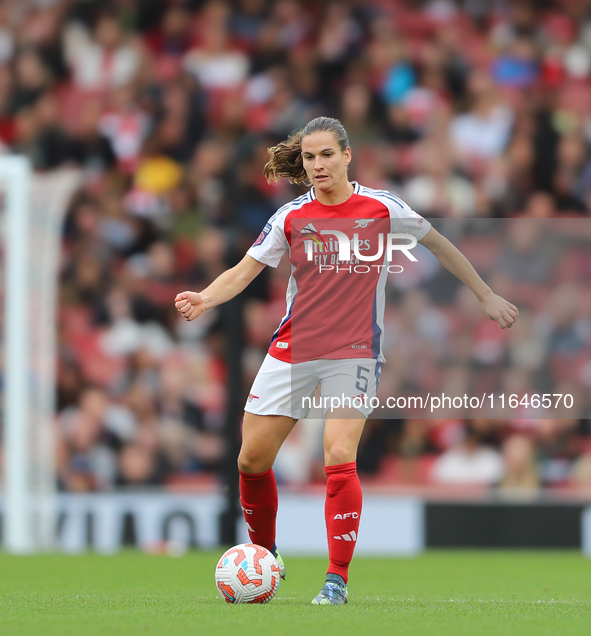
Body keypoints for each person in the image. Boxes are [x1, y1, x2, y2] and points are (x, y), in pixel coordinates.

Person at [175, 117, 519, 605]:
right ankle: (266, 558)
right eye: (310, 158)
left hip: (354, 351)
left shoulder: (382, 208)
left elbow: (439, 244)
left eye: (327, 156)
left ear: (347, 155)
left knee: (338, 454)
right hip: (294, 348)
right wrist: (206, 299)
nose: (318, 165)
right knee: (251, 460)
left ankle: (336, 579)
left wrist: (485, 296)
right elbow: (243, 271)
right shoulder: (291, 217)